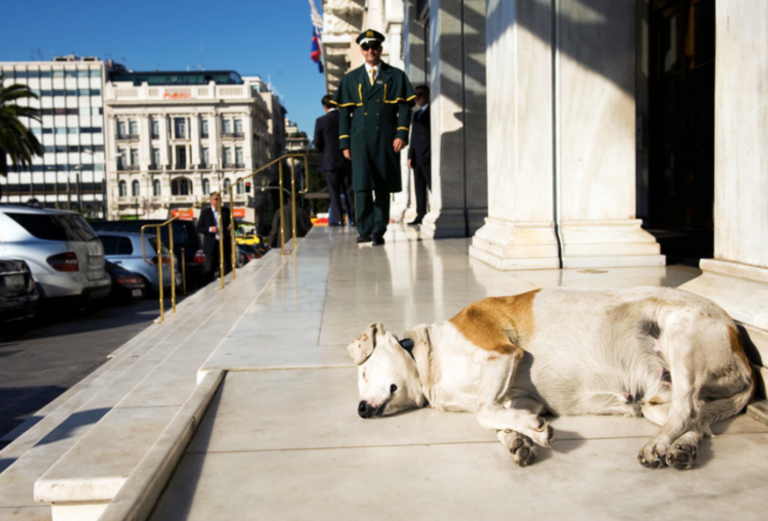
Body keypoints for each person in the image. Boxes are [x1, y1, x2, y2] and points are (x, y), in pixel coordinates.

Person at [332, 29, 416, 246]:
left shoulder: (395, 76)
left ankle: (379, 229)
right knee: (361, 186)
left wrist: (401, 134)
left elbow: (404, 108)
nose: (371, 51)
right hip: (360, 139)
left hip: (386, 138)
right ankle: (364, 228)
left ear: (381, 49)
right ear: (361, 50)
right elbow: (344, 115)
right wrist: (345, 143)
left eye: (375, 47)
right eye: (367, 47)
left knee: (382, 184)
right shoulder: (351, 79)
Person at [314, 94, 355, 227]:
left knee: (334, 192)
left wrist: (325, 152)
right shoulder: (345, 119)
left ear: (324, 107)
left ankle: (338, 220)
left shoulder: (321, 121)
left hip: (330, 160)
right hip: (346, 158)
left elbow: (317, 142)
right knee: (349, 190)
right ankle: (353, 219)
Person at [407, 85, 431, 225]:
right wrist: (410, 156)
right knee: (419, 188)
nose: (418, 98)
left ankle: (434, 211)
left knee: (431, 185)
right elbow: (413, 137)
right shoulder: (416, 115)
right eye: (416, 95)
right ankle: (420, 213)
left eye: (421, 94)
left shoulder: (432, 111)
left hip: (427, 155)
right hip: (417, 157)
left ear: (428, 94)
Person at [195, 193, 233, 281]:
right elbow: (199, 228)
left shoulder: (226, 211)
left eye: (219, 199)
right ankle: (209, 287)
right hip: (211, 244)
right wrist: (209, 229)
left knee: (226, 268)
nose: (218, 201)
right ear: (211, 200)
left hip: (224, 243)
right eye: (216, 199)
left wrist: (232, 226)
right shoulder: (206, 212)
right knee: (210, 269)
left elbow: (234, 223)